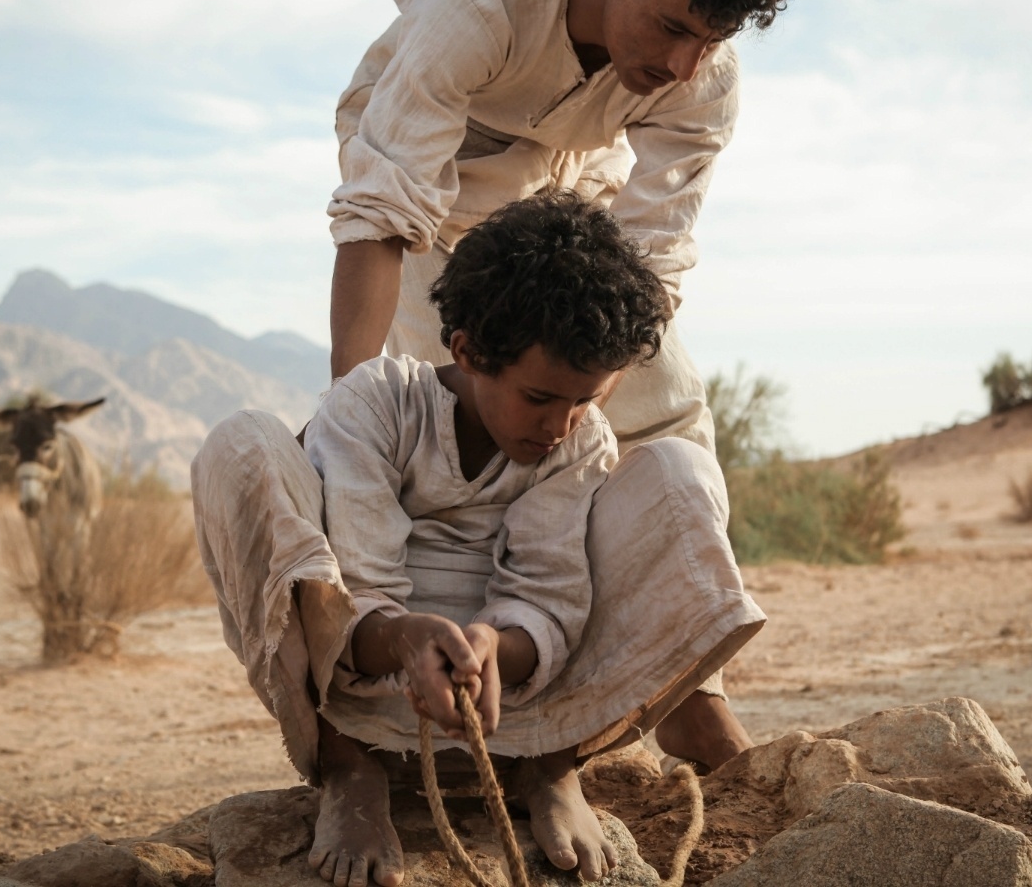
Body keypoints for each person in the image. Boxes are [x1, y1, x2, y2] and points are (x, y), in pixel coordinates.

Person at [325, 0, 798, 776]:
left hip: (569, 198)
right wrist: (356, 400)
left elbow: (652, 262)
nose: (688, 64)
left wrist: (585, 403)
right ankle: (411, 707)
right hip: (434, 210)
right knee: (451, 436)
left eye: (714, 39)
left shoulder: (703, 76)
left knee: (669, 413)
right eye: (670, 28)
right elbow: (382, 213)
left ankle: (691, 699)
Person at [193, 193, 764, 887]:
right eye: (540, 398)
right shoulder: (376, 403)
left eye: (585, 400)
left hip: (522, 700)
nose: (560, 424)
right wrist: (407, 637)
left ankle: (550, 768)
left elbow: (549, 593)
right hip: (370, 686)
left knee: (680, 468)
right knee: (242, 442)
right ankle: (350, 768)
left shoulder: (578, 442)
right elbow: (358, 585)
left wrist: (497, 646)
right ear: (465, 350)